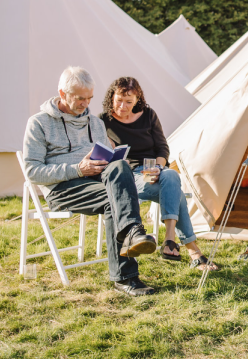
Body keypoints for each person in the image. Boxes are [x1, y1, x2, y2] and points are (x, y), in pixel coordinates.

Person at [23, 67, 158, 296]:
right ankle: (127, 273)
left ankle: (132, 236)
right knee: (115, 201)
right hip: (61, 188)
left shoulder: (94, 123)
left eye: (89, 98)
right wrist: (77, 169)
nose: (86, 103)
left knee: (120, 165)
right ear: (62, 93)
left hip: (95, 181)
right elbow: (33, 172)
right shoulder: (39, 123)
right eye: (80, 98)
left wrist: (108, 161)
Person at [100, 77, 219, 271]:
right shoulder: (103, 120)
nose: (123, 106)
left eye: (129, 102)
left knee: (171, 175)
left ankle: (170, 238)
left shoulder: (148, 115)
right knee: (176, 193)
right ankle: (190, 249)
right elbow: (99, 151)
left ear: (137, 100)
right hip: (127, 176)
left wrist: (157, 167)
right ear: (112, 97)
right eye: (119, 100)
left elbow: (163, 149)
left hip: (153, 170)